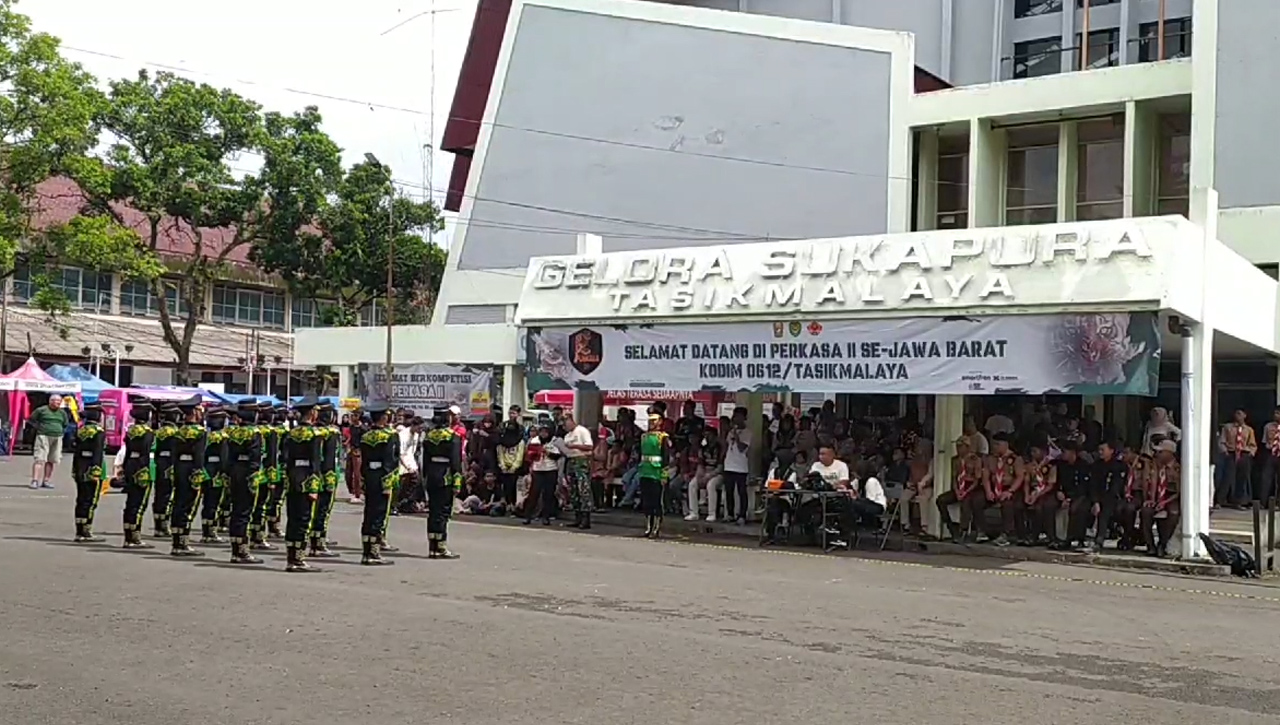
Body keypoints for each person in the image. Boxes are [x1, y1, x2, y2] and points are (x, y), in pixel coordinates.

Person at [283, 397, 324, 572]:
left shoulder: (290, 434)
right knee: (303, 520)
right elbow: (315, 462)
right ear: (313, 413)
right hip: (307, 478)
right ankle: (299, 559)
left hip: (292, 478)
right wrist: (314, 487)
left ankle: (291, 557)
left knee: (292, 519)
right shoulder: (315, 435)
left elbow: (285, 459)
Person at [225, 399, 265, 564]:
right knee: (245, 512)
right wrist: (254, 476)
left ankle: (235, 549)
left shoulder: (232, 432)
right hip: (248, 473)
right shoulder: (255, 433)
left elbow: (229, 457)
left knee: (236, 512)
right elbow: (255, 458)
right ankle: (242, 551)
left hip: (235, 472)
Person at [168, 396, 208, 557]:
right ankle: (183, 542)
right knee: (189, 506)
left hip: (179, 469)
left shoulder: (178, 431)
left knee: (178, 504)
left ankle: (176, 541)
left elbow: (174, 454)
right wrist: (198, 476)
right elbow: (199, 456)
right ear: (194, 412)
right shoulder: (200, 432)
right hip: (192, 469)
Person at [359, 402, 398, 566]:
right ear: (384, 417)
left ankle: (366, 550)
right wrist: (388, 483)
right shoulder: (390, 435)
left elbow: (364, 460)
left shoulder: (365, 436)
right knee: (379, 514)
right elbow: (391, 461)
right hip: (382, 476)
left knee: (369, 513)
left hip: (369, 475)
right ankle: (374, 552)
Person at [423, 411, 464, 558]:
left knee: (433, 512)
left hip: (431, 475)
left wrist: (425, 478)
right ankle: (441, 547)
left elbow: (425, 461)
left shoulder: (428, 436)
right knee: (443, 512)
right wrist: (457, 481)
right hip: (446, 476)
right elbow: (456, 461)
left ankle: (432, 546)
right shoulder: (453, 436)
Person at [120, 396, 156, 549]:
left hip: (130, 466)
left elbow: (128, 452)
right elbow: (146, 453)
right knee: (139, 504)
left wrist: (124, 468)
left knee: (130, 503)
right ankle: (135, 537)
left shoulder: (130, 431)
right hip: (142, 468)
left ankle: (128, 535)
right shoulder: (148, 432)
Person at [1082, 440, 1128, 554]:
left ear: (1111, 451)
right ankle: (1080, 537)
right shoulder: (1096, 466)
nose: (1100, 452)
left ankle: (1100, 539)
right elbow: (1092, 485)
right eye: (1099, 450)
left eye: (1103, 450)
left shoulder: (1119, 466)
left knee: (1106, 509)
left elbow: (1117, 486)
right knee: (1083, 507)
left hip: (1115, 497)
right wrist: (1095, 501)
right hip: (1098, 496)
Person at [70, 402, 107, 542]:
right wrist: (97, 470)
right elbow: (98, 453)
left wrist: (75, 469)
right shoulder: (98, 432)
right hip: (93, 468)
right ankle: (86, 531)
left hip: (80, 467)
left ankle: (79, 530)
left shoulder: (81, 430)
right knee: (91, 500)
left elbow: (76, 452)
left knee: (81, 499)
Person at [980, 433, 1024, 547]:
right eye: (994, 444)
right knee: (977, 500)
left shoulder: (1015, 459)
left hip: (1009, 488)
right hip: (994, 487)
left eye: (997, 444)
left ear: (1006, 445)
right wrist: (988, 491)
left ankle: (1007, 534)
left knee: (1007, 504)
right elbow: (986, 476)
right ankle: (983, 531)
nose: (995, 447)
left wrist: (1010, 491)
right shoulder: (990, 459)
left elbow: (1020, 477)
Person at [310, 401, 342, 559]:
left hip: (313, 475)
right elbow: (330, 458)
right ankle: (319, 542)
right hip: (327, 475)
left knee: (313, 511)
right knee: (323, 510)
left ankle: (314, 539)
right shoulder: (332, 433)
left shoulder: (313, 431)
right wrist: (330, 479)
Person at [936, 437, 982, 542]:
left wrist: (966, 491)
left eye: (961, 446)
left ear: (967, 447)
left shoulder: (975, 459)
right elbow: (954, 477)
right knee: (941, 500)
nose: (958, 449)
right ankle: (951, 526)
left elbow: (977, 480)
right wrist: (957, 491)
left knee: (966, 502)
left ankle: (963, 531)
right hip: (959, 486)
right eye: (957, 446)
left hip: (970, 487)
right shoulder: (955, 460)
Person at [1142, 440, 1181, 558]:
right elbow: (1153, 483)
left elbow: (1179, 491)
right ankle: (1150, 545)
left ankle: (1163, 544)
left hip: (1172, 496)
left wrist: (1164, 502)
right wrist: (1151, 499)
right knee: (1146, 511)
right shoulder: (1156, 465)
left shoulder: (1178, 468)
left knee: (1173, 513)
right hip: (1158, 495)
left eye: (1160, 452)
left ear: (1169, 453)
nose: (1156, 454)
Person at [1051, 442, 1093, 551]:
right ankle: (1056, 538)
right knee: (1049, 505)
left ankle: (1076, 538)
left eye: (1065, 451)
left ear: (1072, 453)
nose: (1062, 454)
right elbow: (1058, 482)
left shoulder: (1083, 466)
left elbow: (1083, 486)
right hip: (1064, 494)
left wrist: (1070, 498)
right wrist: (1059, 492)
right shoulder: (1061, 465)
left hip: (1081, 495)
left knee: (1077, 509)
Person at [197, 406, 230, 544]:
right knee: (215, 503)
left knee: (207, 503)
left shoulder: (206, 435)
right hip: (217, 472)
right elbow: (224, 458)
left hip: (206, 470)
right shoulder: (223, 437)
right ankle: (211, 532)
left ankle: (206, 530)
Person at [637, 413, 670, 539]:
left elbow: (666, 457)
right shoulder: (644, 436)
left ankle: (656, 527)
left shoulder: (663, 437)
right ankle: (648, 526)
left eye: (654, 420)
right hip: (645, 471)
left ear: (660, 421)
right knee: (646, 501)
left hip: (656, 472)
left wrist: (664, 475)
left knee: (657, 502)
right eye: (650, 420)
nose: (652, 423)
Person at [150, 404, 180, 538]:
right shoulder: (175, 432)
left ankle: (157, 524)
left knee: (159, 494)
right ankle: (163, 525)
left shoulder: (158, 432)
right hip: (170, 464)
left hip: (159, 463)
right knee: (169, 495)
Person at [561, 412, 595, 529]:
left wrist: (574, 446)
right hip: (571, 460)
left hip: (581, 460)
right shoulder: (567, 436)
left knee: (583, 489)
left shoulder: (582, 431)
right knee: (573, 490)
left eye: (566, 423)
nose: (565, 426)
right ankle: (577, 516)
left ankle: (586, 518)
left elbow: (589, 446)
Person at [1113, 446, 1150, 551]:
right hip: (1126, 493)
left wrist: (1146, 497)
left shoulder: (1143, 463)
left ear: (1133, 452)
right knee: (1117, 509)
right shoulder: (1122, 465)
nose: (1123, 455)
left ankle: (1128, 537)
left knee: (1130, 509)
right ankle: (1132, 532)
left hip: (1139, 492)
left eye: (1126, 453)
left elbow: (1146, 482)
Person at [28, 394, 69, 490]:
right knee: (40, 459)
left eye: (59, 401)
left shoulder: (62, 413)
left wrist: (60, 431)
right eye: (55, 401)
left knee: (52, 460)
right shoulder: (41, 410)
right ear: (50, 401)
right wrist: (39, 428)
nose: (58, 403)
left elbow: (65, 424)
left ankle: (46, 480)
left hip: (57, 437)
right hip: (43, 436)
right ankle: (35, 480)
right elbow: (31, 420)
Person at [1218, 409, 1257, 508]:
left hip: (1244, 454)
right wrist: (1225, 451)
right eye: (1236, 413)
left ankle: (1239, 501)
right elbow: (1222, 440)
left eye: (1240, 414)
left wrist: (1251, 453)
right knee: (1228, 477)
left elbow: (1252, 444)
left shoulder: (1248, 430)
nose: (1237, 416)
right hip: (1231, 453)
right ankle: (1220, 500)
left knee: (1242, 478)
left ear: (1245, 415)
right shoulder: (1228, 427)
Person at [1020, 442, 1057, 546]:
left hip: (1047, 492)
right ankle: (1028, 535)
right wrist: (1027, 495)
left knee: (1044, 506)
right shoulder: (1030, 465)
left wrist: (1037, 495)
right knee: (1022, 504)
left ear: (1043, 452)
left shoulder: (1051, 465)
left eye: (1035, 451)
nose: (1033, 454)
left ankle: (1050, 537)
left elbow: (1050, 485)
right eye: (1032, 451)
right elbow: (1027, 482)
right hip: (1033, 491)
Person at [260, 403, 287, 540]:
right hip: (276, 469)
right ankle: (273, 526)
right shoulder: (276, 432)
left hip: (262, 469)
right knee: (274, 500)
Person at [524, 422, 558, 526]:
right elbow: (529, 456)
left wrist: (547, 452)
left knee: (548, 494)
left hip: (550, 469)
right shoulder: (535, 441)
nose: (543, 434)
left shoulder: (554, 441)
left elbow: (557, 455)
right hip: (538, 469)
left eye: (546, 432)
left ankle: (546, 517)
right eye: (542, 432)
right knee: (534, 493)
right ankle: (528, 516)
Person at [722, 407, 752, 525]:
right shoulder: (730, 432)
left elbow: (742, 448)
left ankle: (742, 515)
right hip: (729, 464)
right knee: (729, 491)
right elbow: (726, 445)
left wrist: (737, 436)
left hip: (741, 466)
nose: (736, 419)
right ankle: (729, 514)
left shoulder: (747, 433)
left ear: (744, 418)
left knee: (741, 491)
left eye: (738, 416)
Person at [496, 405, 527, 508]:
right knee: (504, 485)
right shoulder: (502, 427)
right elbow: (499, 449)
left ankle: (514, 505)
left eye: (514, 413)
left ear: (518, 414)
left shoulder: (521, 431)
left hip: (515, 466)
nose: (511, 415)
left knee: (514, 485)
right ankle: (506, 503)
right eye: (510, 413)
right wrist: (503, 465)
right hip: (504, 465)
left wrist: (514, 467)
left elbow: (520, 453)